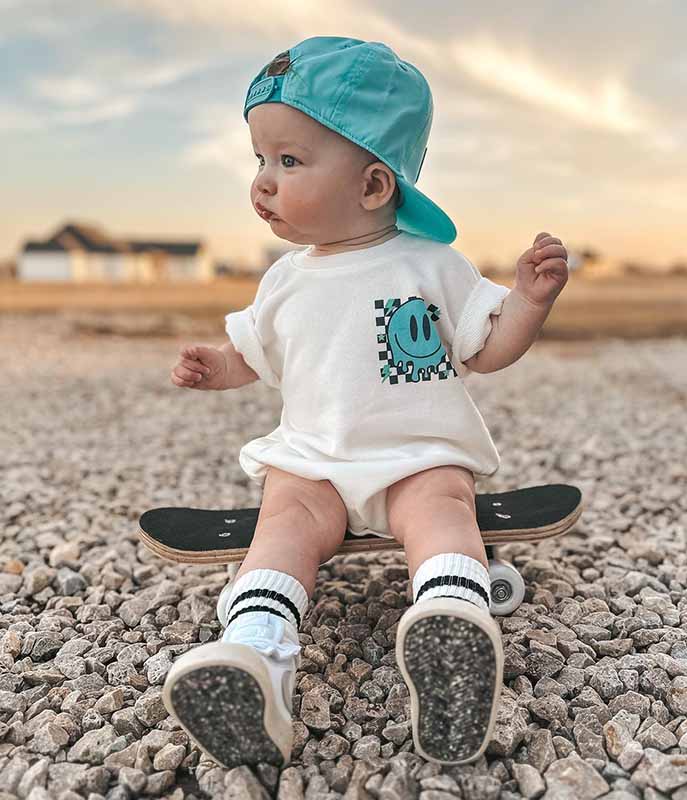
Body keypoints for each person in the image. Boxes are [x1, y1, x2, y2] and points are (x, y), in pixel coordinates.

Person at [162, 36, 569, 771]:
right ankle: (255, 655)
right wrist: (215, 366)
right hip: (314, 464)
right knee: (282, 523)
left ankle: (452, 624)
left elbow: (486, 347)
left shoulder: (430, 264)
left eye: (289, 161)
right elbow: (254, 353)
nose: (263, 182)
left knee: (443, 507)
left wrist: (529, 303)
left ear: (374, 184)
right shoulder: (285, 279)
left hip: (418, 458)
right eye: (259, 159)